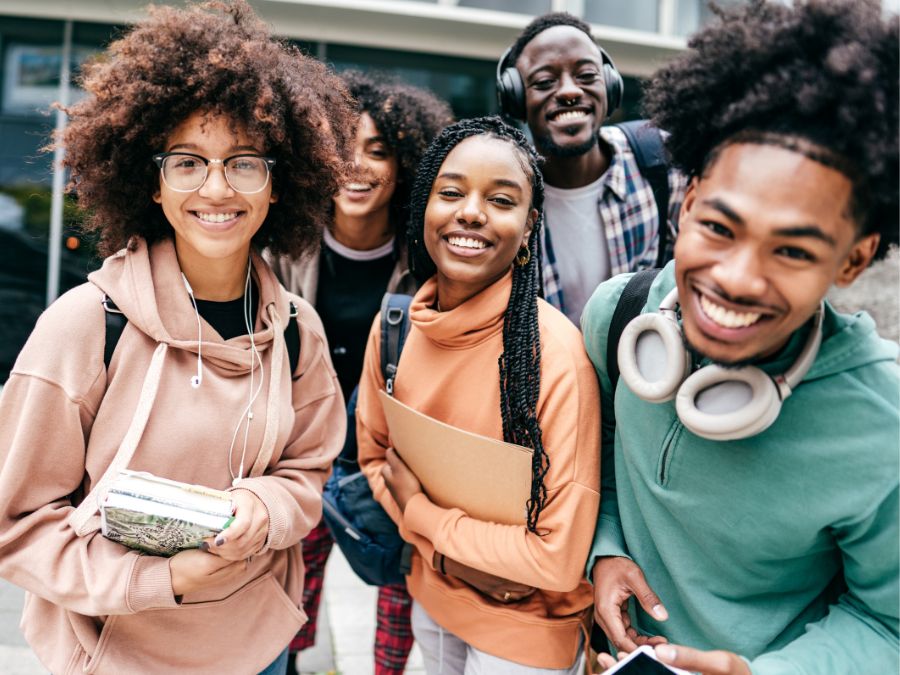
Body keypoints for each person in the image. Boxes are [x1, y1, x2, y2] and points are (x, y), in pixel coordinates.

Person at [0, 2, 354, 673]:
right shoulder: (85, 326)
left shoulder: (296, 332)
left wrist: (263, 502)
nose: (217, 187)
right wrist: (166, 580)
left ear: (278, 183)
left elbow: (308, 472)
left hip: (256, 648)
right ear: (152, 182)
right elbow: (16, 524)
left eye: (244, 162)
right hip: (113, 653)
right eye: (188, 162)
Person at [581, 1, 899, 673]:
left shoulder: (885, 420)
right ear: (688, 201)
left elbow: (890, 622)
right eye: (720, 228)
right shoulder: (617, 314)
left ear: (853, 260)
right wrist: (604, 545)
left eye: (792, 251)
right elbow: (598, 458)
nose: (736, 279)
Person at [355, 116, 601, 674]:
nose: (470, 211)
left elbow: (558, 561)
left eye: (501, 199)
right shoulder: (396, 327)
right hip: (433, 600)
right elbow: (375, 459)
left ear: (529, 223)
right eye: (451, 192)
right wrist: (447, 556)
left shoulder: (555, 358)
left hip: (527, 637)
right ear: (424, 207)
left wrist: (426, 521)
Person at [268, 69, 452, 675]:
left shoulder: (426, 255)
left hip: (390, 455)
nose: (358, 164)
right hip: (303, 449)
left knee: (397, 594)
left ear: (404, 167)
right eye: (344, 145)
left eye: (378, 150)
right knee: (289, 593)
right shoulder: (283, 246)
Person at [497, 12, 687, 325]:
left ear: (610, 85)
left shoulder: (663, 162)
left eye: (586, 76)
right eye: (545, 82)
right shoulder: (506, 193)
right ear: (516, 98)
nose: (570, 92)